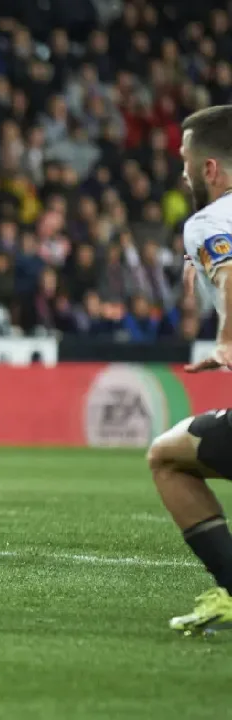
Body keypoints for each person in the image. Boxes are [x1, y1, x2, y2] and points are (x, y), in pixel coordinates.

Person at [147, 103, 232, 634]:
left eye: (184, 160)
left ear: (208, 169)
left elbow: (231, 278)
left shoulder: (209, 220)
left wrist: (225, 340)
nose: (181, 171)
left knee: (166, 458)